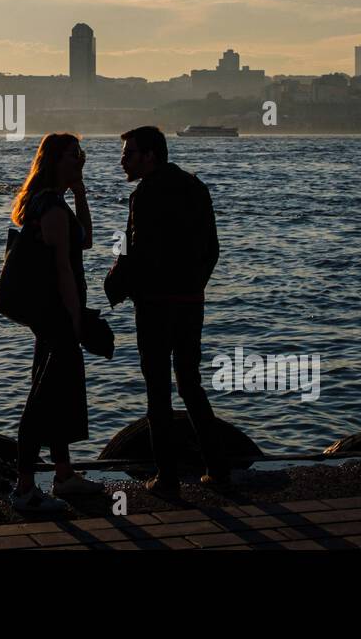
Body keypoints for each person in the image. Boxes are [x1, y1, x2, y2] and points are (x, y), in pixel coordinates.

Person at [106, 125, 226, 498]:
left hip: (156, 305)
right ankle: (218, 468)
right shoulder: (196, 186)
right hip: (191, 303)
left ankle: (167, 477)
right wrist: (195, 286)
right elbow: (212, 248)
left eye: (129, 154)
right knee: (190, 383)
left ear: (150, 156)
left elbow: (135, 253)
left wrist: (116, 285)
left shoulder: (144, 195)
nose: (122, 160)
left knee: (158, 389)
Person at [9, 132, 102, 512]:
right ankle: (25, 488)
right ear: (53, 161)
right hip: (56, 314)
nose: (78, 162)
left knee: (58, 390)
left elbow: (87, 241)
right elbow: (63, 267)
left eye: (80, 156)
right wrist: (75, 318)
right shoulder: (49, 208)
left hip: (50, 313)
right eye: (71, 157)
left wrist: (80, 193)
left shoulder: (55, 202)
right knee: (43, 397)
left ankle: (63, 475)